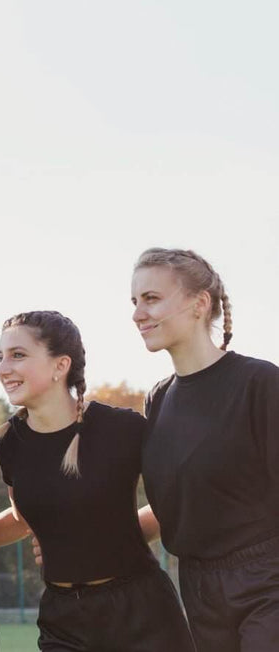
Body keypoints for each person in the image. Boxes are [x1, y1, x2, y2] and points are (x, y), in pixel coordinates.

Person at [0, 311, 193, 651]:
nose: (3, 368)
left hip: (141, 612)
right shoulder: (10, 444)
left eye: (18, 355)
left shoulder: (121, 428)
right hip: (63, 620)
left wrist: (108, 537)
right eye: (0, 357)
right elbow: (21, 520)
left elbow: (176, 499)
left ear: (60, 365)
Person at [132, 248, 279, 651]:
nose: (137, 314)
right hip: (198, 591)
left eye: (151, 299)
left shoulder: (260, 383)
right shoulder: (157, 400)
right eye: (134, 302)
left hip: (267, 584)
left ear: (199, 304)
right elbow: (177, 502)